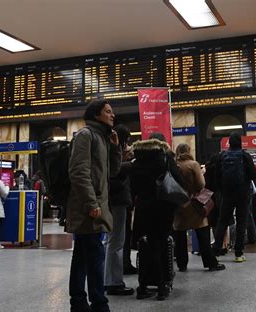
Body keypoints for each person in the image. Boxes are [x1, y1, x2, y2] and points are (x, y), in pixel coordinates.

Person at [66, 99, 122, 312]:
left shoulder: (103, 138)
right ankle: (99, 304)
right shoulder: (86, 135)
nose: (112, 115)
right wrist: (91, 203)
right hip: (89, 207)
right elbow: (78, 172)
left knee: (82, 255)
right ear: (96, 115)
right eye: (108, 111)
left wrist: (115, 149)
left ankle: (78, 302)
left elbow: (113, 173)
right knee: (95, 256)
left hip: (96, 205)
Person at [130, 132, 182, 301]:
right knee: (159, 245)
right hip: (162, 208)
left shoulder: (137, 159)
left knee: (145, 246)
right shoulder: (165, 158)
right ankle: (161, 286)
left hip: (143, 208)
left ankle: (143, 286)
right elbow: (178, 181)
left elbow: (132, 186)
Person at [173, 143, 225, 272]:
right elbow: (201, 184)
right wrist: (201, 173)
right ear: (188, 151)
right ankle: (210, 262)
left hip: (179, 203)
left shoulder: (174, 165)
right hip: (194, 204)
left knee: (180, 235)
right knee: (202, 233)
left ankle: (182, 264)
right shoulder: (193, 164)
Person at [213, 132, 256, 263]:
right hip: (243, 194)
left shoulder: (222, 156)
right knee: (241, 222)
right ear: (240, 142)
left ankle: (216, 251)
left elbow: (217, 176)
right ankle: (238, 253)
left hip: (227, 194)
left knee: (222, 221)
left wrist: (222, 189)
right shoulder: (245, 156)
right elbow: (253, 174)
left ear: (229, 143)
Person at [103, 124, 134, 296]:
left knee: (110, 241)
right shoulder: (113, 150)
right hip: (117, 199)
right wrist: (131, 164)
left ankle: (107, 279)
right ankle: (114, 282)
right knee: (116, 241)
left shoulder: (105, 147)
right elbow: (114, 173)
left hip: (109, 199)